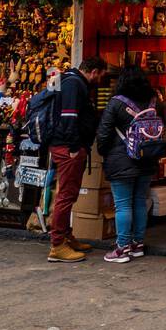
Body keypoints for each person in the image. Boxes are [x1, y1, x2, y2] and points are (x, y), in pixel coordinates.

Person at [46, 55, 108, 263]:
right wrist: (74, 148)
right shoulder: (74, 84)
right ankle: (57, 246)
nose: (100, 80)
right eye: (101, 75)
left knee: (68, 194)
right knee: (66, 194)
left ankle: (65, 236)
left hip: (67, 146)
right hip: (69, 147)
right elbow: (69, 116)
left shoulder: (71, 81)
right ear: (94, 71)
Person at [96, 67, 160, 263]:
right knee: (140, 201)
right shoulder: (154, 101)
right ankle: (137, 244)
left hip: (121, 159)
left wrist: (103, 151)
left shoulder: (116, 103)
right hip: (148, 157)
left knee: (122, 205)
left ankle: (122, 248)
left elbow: (104, 133)